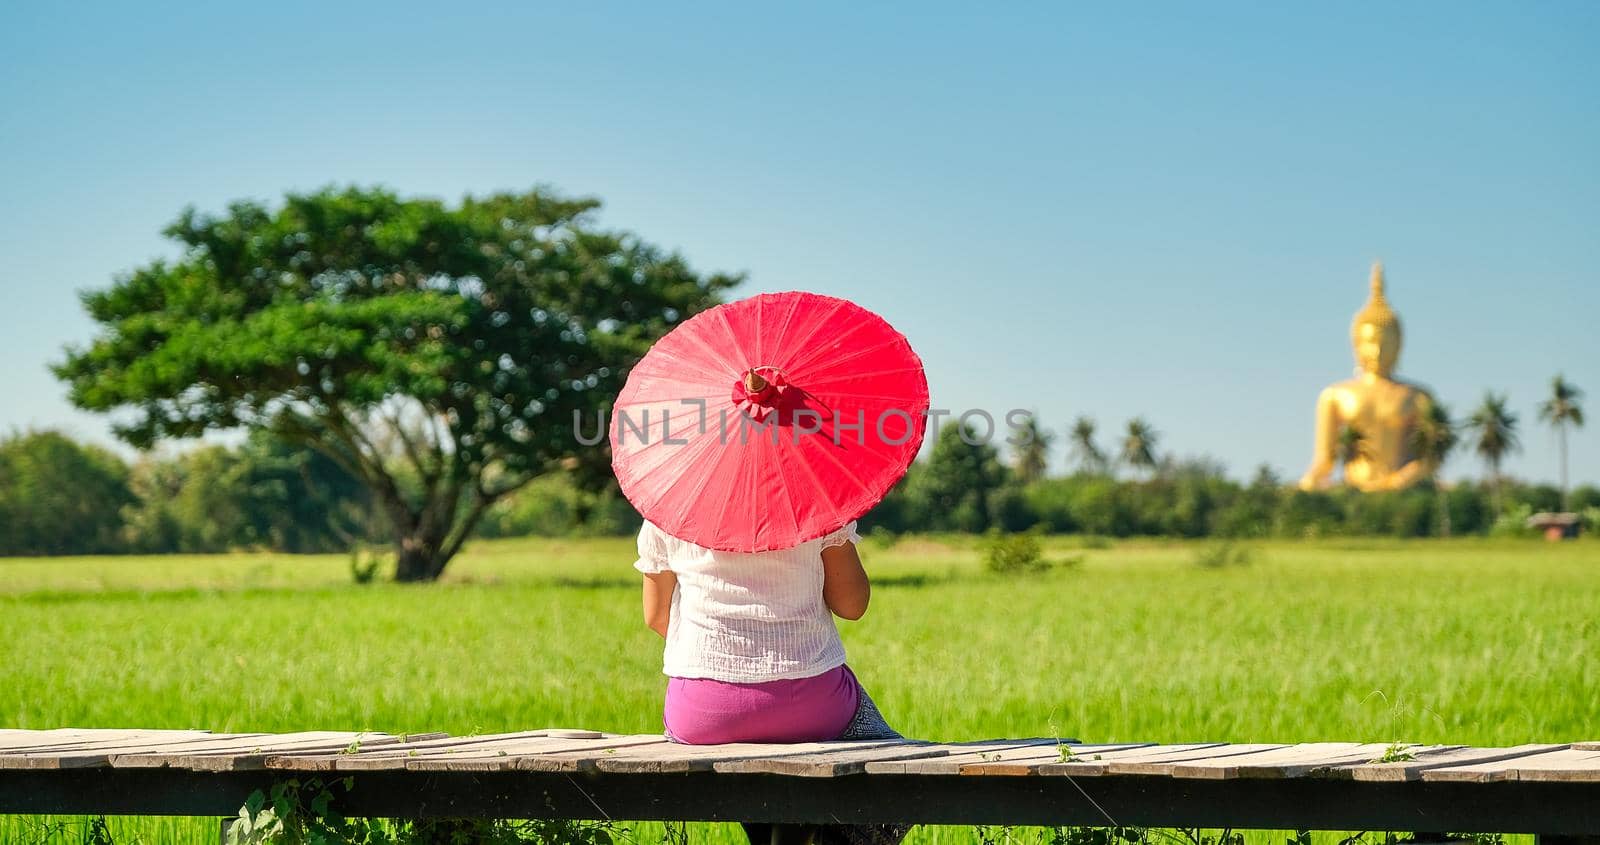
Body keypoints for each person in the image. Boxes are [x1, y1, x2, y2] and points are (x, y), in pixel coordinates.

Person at [634, 517, 907, 845]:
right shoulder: (816, 506)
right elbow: (852, 605)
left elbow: (655, 617)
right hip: (814, 705)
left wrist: (721, 659)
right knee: (886, 756)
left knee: (752, 761)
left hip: (702, 712)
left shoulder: (670, 511)